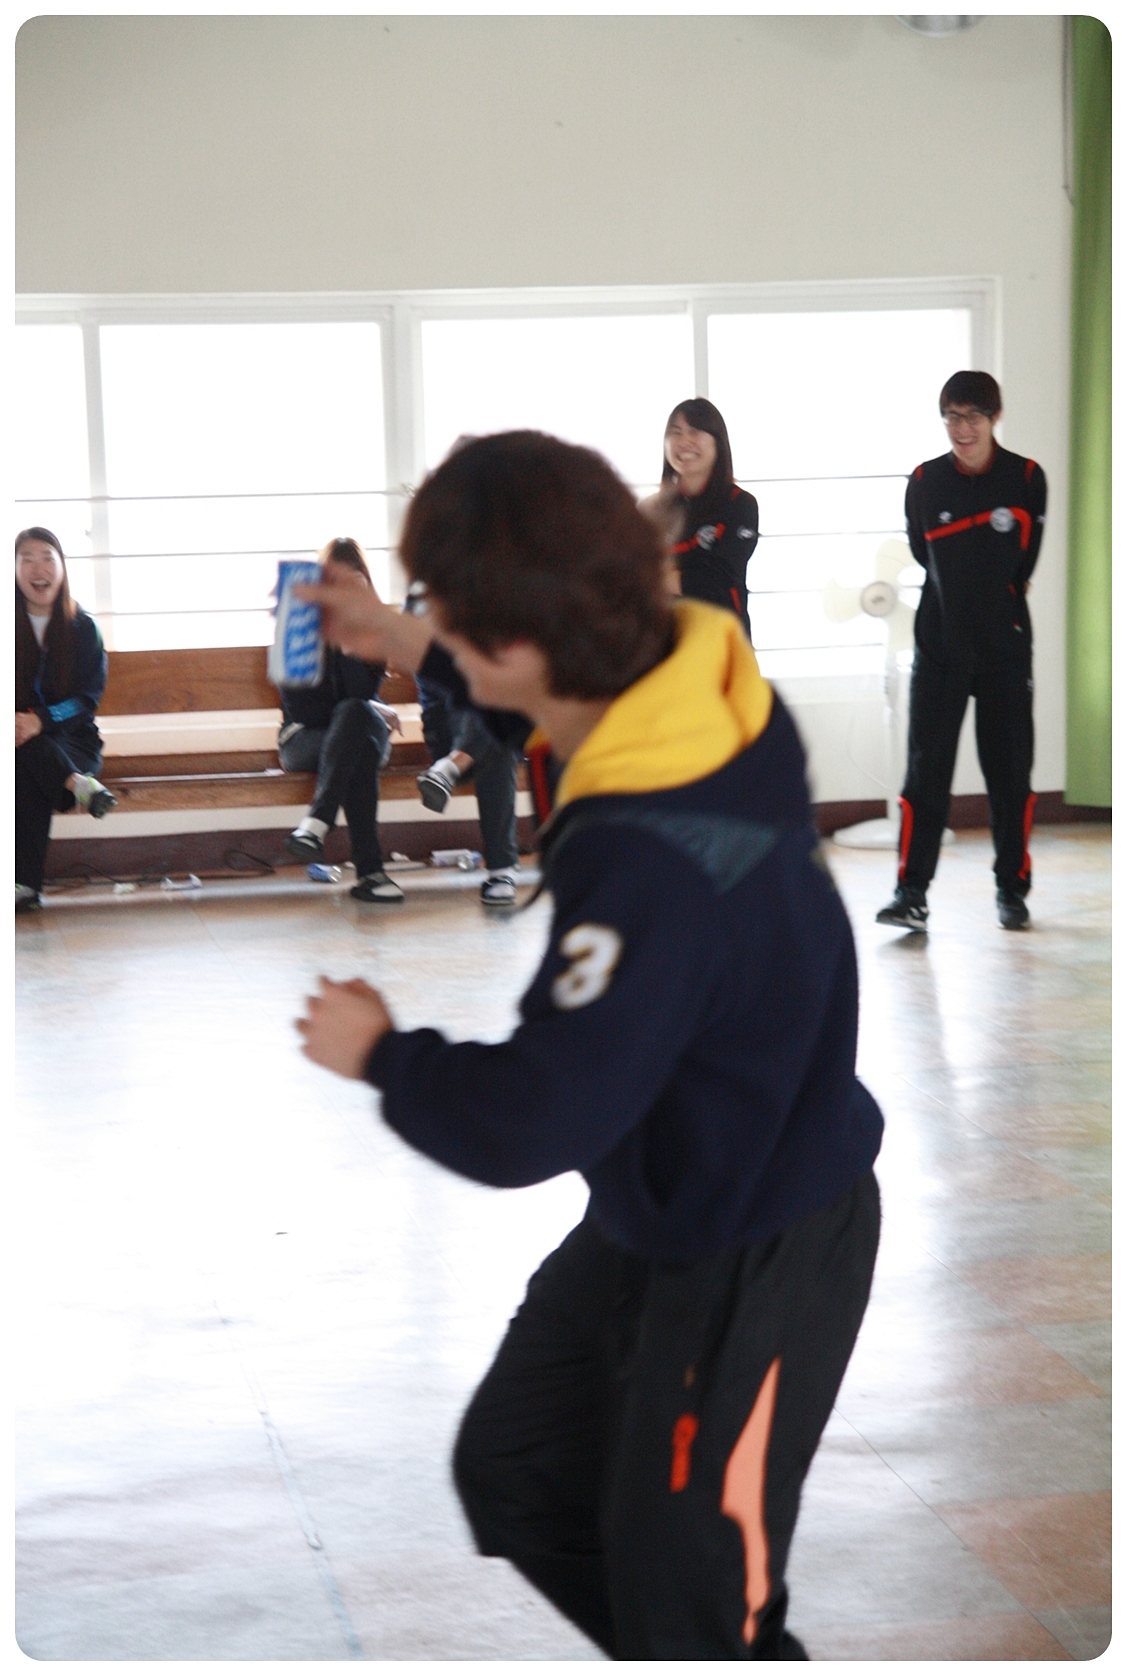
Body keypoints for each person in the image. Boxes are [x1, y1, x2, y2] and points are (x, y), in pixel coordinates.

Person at [295, 432, 883, 1660]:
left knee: (698, 1599)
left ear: (518, 647)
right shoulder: (698, 682)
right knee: (519, 1468)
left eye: (444, 612)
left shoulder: (649, 856)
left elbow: (534, 1113)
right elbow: (549, 672)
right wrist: (405, 638)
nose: (434, 626)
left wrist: (385, 1054)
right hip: (674, 1181)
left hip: (760, 1235)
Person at [876, 372, 1047, 933]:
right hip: (940, 644)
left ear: (995, 417)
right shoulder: (925, 481)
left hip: (1004, 647)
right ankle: (911, 893)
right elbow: (923, 553)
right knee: (926, 774)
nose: (962, 428)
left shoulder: (1026, 478)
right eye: (952, 416)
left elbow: (1024, 561)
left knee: (1010, 774)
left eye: (973, 416)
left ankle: (1011, 889)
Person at [277, 537, 405, 903]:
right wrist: (369, 707)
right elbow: (304, 711)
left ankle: (316, 824)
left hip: (356, 732)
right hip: (303, 739)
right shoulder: (298, 628)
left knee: (357, 726)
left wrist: (350, 647)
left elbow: (359, 696)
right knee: (359, 739)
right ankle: (371, 873)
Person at [15, 527, 116, 913]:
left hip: (75, 743)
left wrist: (41, 721)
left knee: (26, 759)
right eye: (26, 559)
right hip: (23, 743)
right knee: (25, 754)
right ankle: (78, 785)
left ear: (61, 567)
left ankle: (24, 886)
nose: (38, 568)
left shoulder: (83, 628)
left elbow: (87, 700)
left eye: (47, 558)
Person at [640, 398, 759, 637]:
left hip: (721, 641)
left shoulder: (740, 504)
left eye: (694, 431)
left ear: (718, 443)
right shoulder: (650, 509)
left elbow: (717, 583)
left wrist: (657, 577)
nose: (684, 441)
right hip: (664, 640)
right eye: (675, 432)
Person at [414, 676, 522, 905]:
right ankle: (501, 871)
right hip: (447, 735)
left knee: (499, 737)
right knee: (496, 730)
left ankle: (449, 769)